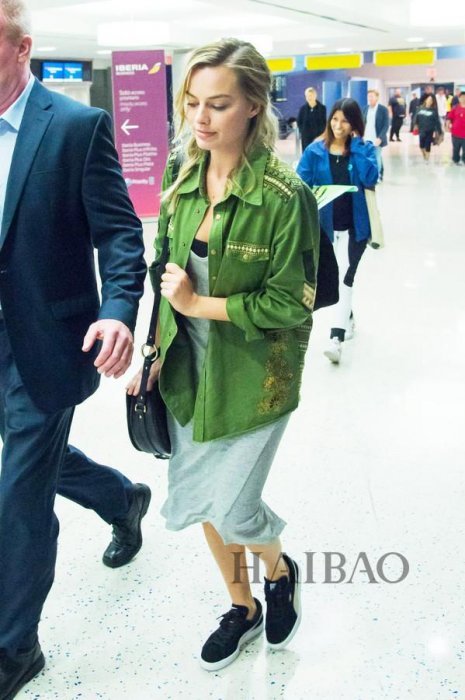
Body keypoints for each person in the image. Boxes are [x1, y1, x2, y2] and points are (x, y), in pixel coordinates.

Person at [127, 38, 319, 671]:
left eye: (218, 104)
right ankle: (242, 606)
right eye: (191, 103)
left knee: (235, 505)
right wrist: (157, 347)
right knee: (204, 499)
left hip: (255, 375)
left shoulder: (285, 196)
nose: (200, 119)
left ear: (254, 105)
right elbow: (164, 268)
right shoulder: (181, 174)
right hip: (187, 368)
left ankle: (280, 571)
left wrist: (198, 304)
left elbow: (291, 304)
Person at [0, 2, 149, 697]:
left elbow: (119, 234)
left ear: (21, 47)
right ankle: (122, 498)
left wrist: (118, 313)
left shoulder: (75, 128)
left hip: (47, 339)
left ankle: (15, 646)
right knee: (34, 461)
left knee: (18, 495)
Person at [297, 98, 378, 364]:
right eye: (334, 119)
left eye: (345, 121)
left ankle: (336, 338)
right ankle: (348, 315)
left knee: (345, 278)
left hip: (356, 228)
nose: (338, 125)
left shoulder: (363, 149)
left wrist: (357, 146)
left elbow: (371, 178)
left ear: (354, 124)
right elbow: (301, 185)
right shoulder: (315, 151)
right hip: (326, 229)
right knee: (337, 278)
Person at [362, 89, 389, 181]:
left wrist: (380, 138)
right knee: (368, 157)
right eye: (369, 96)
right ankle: (370, 174)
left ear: (377, 97)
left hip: (377, 138)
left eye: (372, 96)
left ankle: (377, 176)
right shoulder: (365, 109)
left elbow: (386, 125)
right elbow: (362, 122)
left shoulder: (383, 109)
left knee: (377, 157)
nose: (370, 98)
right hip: (366, 137)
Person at [412, 93, 443, 162]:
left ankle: (427, 159)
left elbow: (437, 122)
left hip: (430, 130)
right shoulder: (420, 109)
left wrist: (440, 132)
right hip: (421, 130)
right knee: (421, 146)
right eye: (428, 99)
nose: (429, 101)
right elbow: (416, 118)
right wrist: (415, 125)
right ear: (425, 100)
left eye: (431, 100)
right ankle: (424, 155)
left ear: (433, 102)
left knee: (427, 145)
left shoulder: (434, 111)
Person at [297, 86, 327, 151]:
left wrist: (321, 134)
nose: (309, 98)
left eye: (310, 95)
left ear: (315, 96)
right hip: (306, 138)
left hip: (318, 137)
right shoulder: (302, 109)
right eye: (307, 96)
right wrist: (303, 132)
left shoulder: (322, 108)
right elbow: (299, 122)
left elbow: (324, 122)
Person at [446, 91, 465, 165]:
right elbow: (449, 118)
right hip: (456, 133)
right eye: (461, 97)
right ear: (459, 98)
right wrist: (447, 126)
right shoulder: (455, 108)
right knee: (456, 148)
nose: (463, 99)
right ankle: (455, 160)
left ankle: (464, 160)